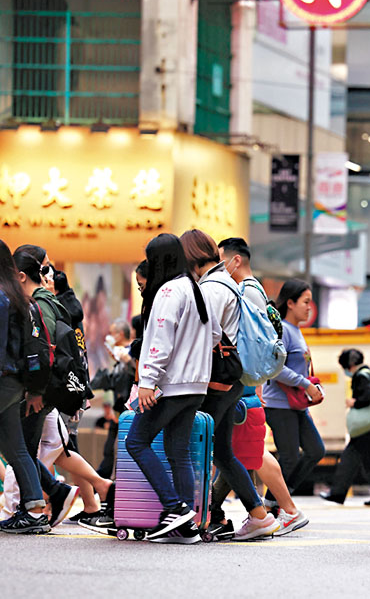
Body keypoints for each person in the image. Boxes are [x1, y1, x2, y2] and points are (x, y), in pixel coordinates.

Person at [181, 229, 280, 541]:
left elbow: (206, 337)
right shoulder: (229, 283)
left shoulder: (211, 288)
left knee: (196, 445)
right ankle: (255, 515)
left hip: (218, 381)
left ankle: (196, 515)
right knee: (222, 451)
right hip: (233, 379)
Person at [123, 233, 221, 543]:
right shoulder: (197, 289)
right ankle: (185, 525)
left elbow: (160, 341)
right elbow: (216, 334)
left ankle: (174, 507)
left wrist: (147, 381)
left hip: (170, 385)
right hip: (196, 386)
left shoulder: (169, 291)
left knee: (136, 442)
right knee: (178, 452)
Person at [212, 237, 308, 537]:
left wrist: (256, 384)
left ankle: (283, 511)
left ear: (235, 260)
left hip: (244, 383)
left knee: (243, 452)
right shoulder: (257, 291)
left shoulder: (246, 291)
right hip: (251, 384)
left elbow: (255, 343)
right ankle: (224, 509)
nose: (220, 268)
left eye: (221, 260)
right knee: (236, 452)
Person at [11, 247, 81, 527]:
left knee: (21, 449)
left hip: (42, 390)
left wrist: (37, 391)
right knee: (21, 448)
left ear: (21, 276)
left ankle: (35, 510)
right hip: (49, 388)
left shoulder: (39, 305)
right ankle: (51, 493)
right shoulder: (50, 301)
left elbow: (42, 350)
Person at [0, 239, 52, 534]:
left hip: (2, 377)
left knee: (17, 448)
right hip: (16, 382)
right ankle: (34, 509)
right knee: (16, 447)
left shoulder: (1, 297)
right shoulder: (19, 298)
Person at [262, 279, 325, 501]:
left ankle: (281, 499)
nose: (309, 307)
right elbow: (275, 369)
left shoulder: (296, 331)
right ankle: (272, 504)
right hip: (279, 405)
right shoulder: (283, 330)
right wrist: (306, 384)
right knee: (289, 458)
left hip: (296, 404)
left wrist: (311, 385)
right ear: (290, 303)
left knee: (316, 450)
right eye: (305, 302)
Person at [320, 348, 370, 507]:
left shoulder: (361, 376)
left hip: (367, 427)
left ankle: (337, 494)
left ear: (349, 364)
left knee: (349, 458)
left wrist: (354, 402)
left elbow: (369, 396)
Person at [90, 319, 135, 479]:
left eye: (112, 333)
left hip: (127, 408)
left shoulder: (130, 352)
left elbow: (132, 376)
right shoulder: (120, 354)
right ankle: (104, 480)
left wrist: (126, 360)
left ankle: (112, 481)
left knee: (119, 447)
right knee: (110, 448)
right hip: (118, 408)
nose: (109, 336)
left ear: (120, 334)